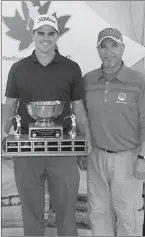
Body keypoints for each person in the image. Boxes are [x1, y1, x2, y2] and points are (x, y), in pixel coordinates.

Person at [2, 14, 92, 236]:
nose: (45, 38)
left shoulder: (71, 68)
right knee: (31, 213)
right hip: (27, 151)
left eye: (51, 33)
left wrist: (87, 136)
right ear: (32, 35)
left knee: (66, 211)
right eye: (40, 33)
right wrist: (3, 132)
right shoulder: (18, 68)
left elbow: (78, 106)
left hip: (62, 151)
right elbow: (10, 105)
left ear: (57, 36)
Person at [78, 27, 145, 236]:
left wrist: (143, 156)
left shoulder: (139, 81)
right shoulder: (88, 80)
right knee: (98, 214)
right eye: (103, 46)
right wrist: (82, 148)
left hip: (129, 159)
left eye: (114, 45)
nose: (109, 52)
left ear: (122, 48)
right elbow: (82, 118)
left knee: (128, 217)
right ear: (98, 50)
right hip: (96, 157)